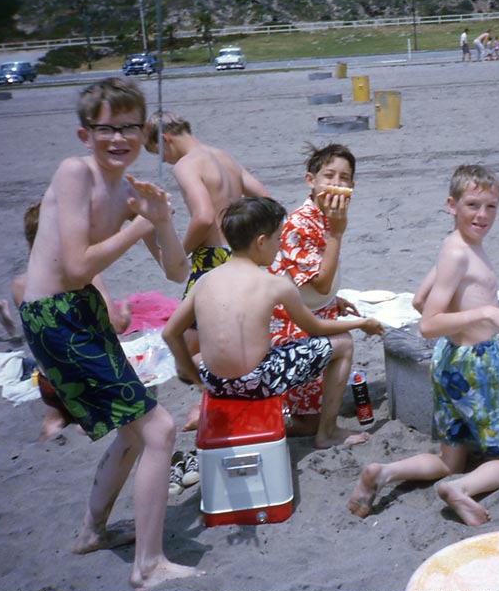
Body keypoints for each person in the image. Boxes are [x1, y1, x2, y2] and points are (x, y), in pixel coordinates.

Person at [16, 77, 199, 590]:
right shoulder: (75, 172)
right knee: (159, 429)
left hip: (82, 314)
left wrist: (160, 219)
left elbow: (176, 271)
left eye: (130, 128)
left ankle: (91, 532)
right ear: (84, 134)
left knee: (135, 429)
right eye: (106, 128)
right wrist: (138, 227)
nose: (119, 138)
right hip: (55, 317)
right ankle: (148, 565)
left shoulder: (127, 191)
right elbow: (75, 266)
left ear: (145, 132)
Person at [348, 164, 499, 527]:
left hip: (450, 362)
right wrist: (486, 312)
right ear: (452, 205)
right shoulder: (460, 253)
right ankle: (460, 490)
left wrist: (464, 310)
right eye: (473, 205)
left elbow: (419, 299)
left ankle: (383, 472)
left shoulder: (454, 247)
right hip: (477, 365)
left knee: (450, 460)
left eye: (491, 207)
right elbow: (427, 324)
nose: (482, 215)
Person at [161, 196, 383, 438]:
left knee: (199, 357)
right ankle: (327, 431)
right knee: (344, 342)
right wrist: (362, 323)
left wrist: (195, 377)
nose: (279, 246)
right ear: (260, 242)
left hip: (215, 383)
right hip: (258, 384)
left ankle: (203, 399)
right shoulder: (274, 285)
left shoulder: (204, 281)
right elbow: (316, 328)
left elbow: (170, 333)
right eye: (277, 239)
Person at [144, 110, 271, 431]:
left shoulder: (186, 165)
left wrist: (178, 253)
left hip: (212, 261)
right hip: (242, 252)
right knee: (215, 339)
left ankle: (213, 405)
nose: (167, 163)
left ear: (166, 141)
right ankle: (210, 402)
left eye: (160, 155)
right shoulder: (224, 156)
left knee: (187, 353)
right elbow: (265, 197)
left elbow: (202, 217)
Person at [268, 143, 371, 448]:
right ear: (310, 181)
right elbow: (322, 282)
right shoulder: (300, 223)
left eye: (345, 178)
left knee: (307, 417)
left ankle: (302, 416)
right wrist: (337, 233)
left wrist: (331, 301)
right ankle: (325, 433)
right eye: (329, 175)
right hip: (288, 326)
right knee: (346, 342)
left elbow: (309, 281)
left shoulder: (324, 215)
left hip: (311, 312)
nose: (337, 184)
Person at [11, 201, 131, 441]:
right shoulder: (86, 275)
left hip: (52, 385)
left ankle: (55, 418)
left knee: (56, 368)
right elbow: (116, 324)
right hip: (93, 381)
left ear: (29, 245)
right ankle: (88, 420)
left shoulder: (20, 286)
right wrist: (125, 311)